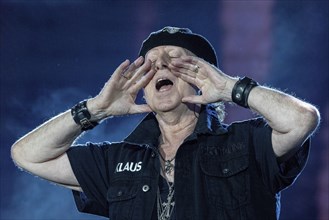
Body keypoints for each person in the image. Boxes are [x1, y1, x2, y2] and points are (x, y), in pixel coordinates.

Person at [11, 26, 320, 220]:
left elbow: (301, 119)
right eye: (151, 63)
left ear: (201, 79)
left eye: (175, 59)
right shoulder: (118, 160)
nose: (160, 65)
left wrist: (230, 88)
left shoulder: (247, 144)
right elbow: (27, 154)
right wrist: (97, 108)